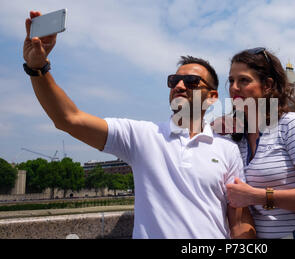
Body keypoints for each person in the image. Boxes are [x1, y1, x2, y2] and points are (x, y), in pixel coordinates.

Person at [22, 10, 255, 239]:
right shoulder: (142, 136)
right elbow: (68, 119)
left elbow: (240, 222)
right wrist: (37, 68)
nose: (180, 86)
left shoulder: (228, 150)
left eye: (192, 82)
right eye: (174, 80)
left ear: (213, 96)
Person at [223, 47, 295, 239]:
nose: (234, 87)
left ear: (267, 85)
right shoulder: (235, 138)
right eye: (231, 80)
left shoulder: (291, 125)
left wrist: (257, 196)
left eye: (243, 80)